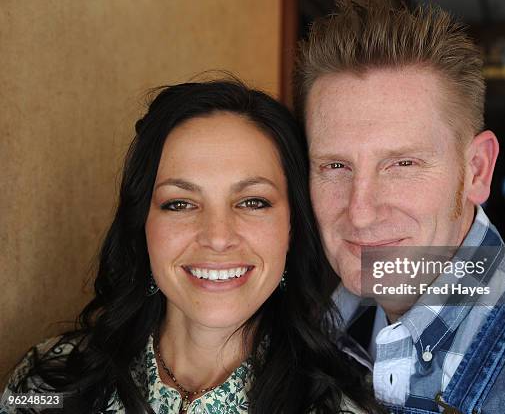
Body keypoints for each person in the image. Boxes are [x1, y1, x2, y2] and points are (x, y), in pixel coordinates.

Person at [294, 1, 505, 413]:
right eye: (335, 166)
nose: (360, 211)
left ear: (477, 170)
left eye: (403, 164)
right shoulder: (309, 333)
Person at [1, 79, 383, 413]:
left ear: (292, 229)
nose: (217, 237)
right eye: (179, 203)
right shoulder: (43, 385)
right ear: (143, 225)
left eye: (253, 202)